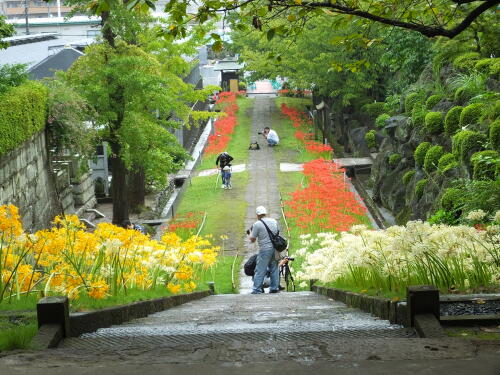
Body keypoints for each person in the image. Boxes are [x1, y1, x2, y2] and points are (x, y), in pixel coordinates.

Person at [247, 205, 280, 294]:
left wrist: (250, 233)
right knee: (275, 268)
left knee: (260, 269)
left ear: (257, 215)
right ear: (265, 213)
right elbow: (277, 232)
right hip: (276, 249)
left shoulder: (257, 224)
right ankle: (274, 288)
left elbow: (253, 240)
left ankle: (257, 289)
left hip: (265, 249)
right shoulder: (274, 221)